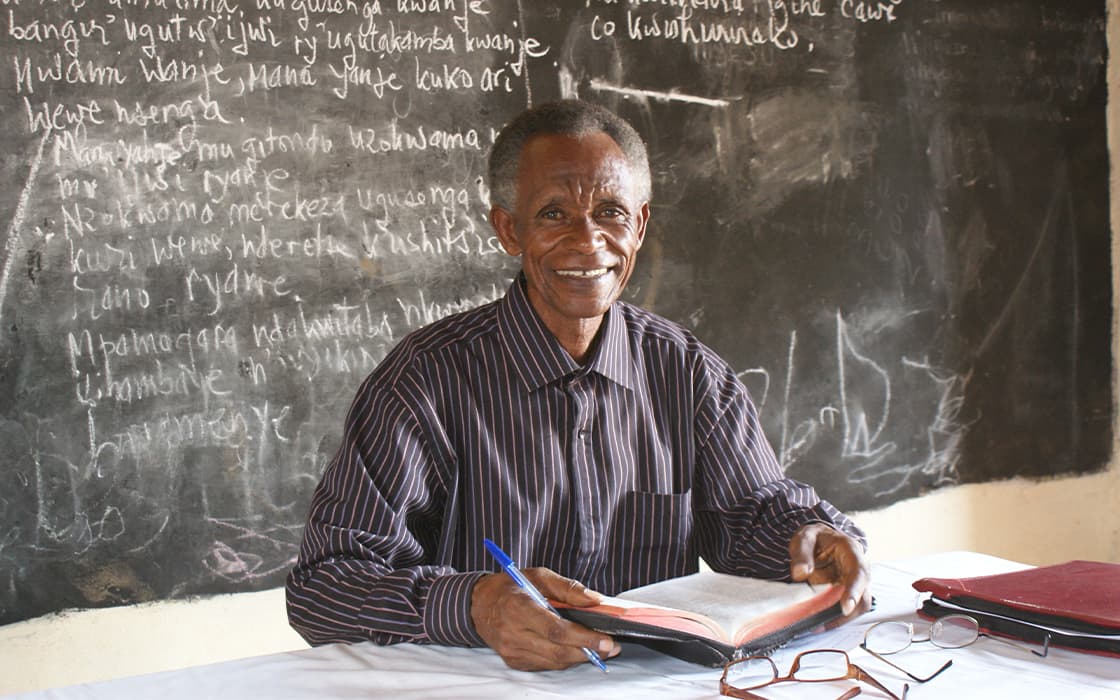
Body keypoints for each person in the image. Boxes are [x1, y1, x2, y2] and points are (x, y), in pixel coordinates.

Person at [286, 99, 870, 671]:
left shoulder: (689, 372)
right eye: (553, 213)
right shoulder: (425, 382)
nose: (588, 240)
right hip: (484, 687)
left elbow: (753, 514)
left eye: (611, 211)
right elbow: (323, 587)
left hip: (649, 684)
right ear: (508, 229)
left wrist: (814, 540)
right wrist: (475, 605)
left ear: (639, 226)